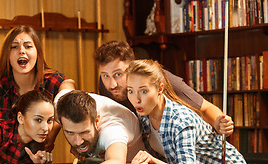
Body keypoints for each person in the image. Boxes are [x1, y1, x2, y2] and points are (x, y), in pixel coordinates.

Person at [0, 25, 75, 152]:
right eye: (14, 47)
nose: (22, 51)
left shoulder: (52, 81)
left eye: (28, 46)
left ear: (37, 53)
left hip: (37, 163)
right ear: (7, 55)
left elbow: (70, 98)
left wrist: (52, 133)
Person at [94, 40, 234, 137]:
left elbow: (205, 108)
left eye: (118, 74)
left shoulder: (157, 78)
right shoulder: (105, 84)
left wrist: (219, 122)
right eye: (105, 75)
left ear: (132, 67)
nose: (112, 84)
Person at [126, 59, 247, 164]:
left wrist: (154, 162)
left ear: (160, 88)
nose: (136, 99)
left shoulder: (181, 121)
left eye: (143, 91)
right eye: (130, 91)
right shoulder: (143, 113)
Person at [55, 89, 166, 164]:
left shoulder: (112, 129)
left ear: (96, 121)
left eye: (84, 132)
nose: (78, 141)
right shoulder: (60, 103)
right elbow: (67, 86)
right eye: (70, 133)